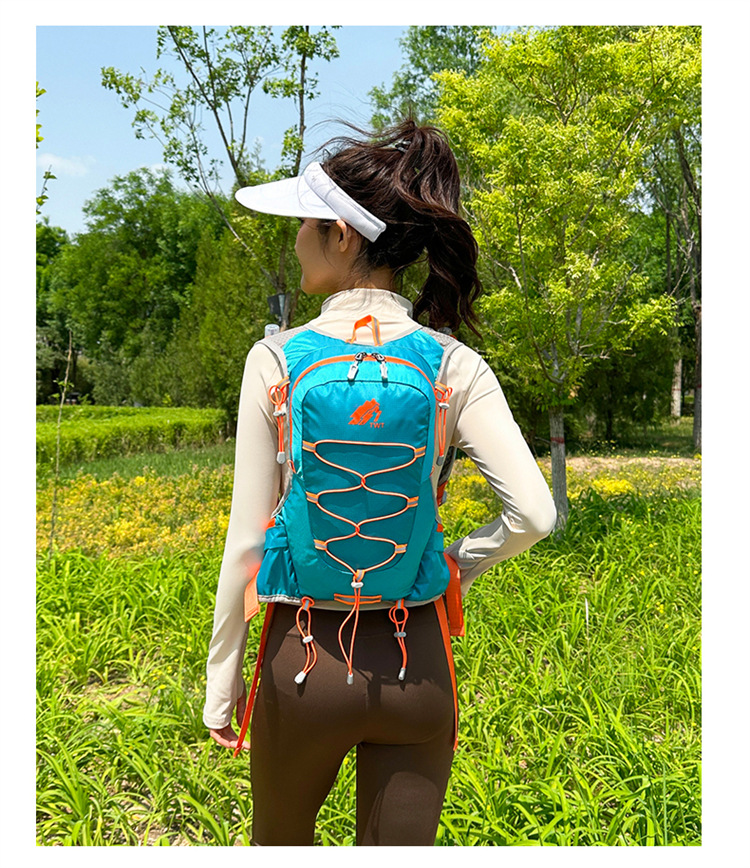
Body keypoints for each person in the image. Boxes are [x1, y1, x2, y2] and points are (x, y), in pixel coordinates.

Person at [202, 119, 557, 846]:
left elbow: (246, 544)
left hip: (302, 658)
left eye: (302, 224)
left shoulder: (276, 359)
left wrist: (223, 681)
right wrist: (455, 562)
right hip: (415, 658)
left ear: (339, 234)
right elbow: (534, 514)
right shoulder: (453, 363)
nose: (294, 241)